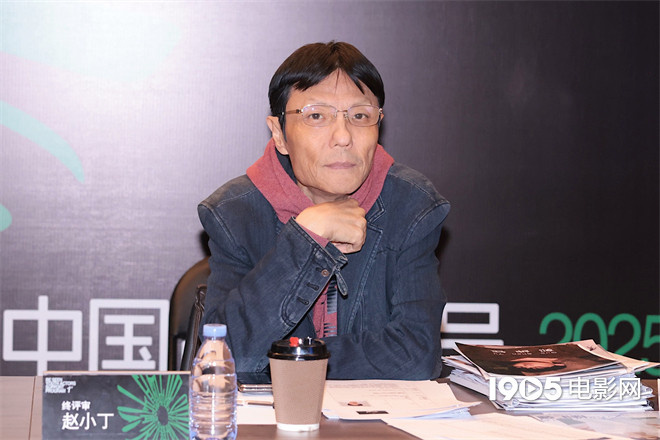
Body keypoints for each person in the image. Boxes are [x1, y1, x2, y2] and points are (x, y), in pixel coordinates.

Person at [198, 41, 450, 380]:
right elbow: (227, 356)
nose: (343, 137)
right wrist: (307, 238)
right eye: (316, 116)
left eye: (360, 116)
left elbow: (416, 354)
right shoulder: (235, 213)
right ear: (280, 134)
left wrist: (291, 358)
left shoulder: (411, 205)